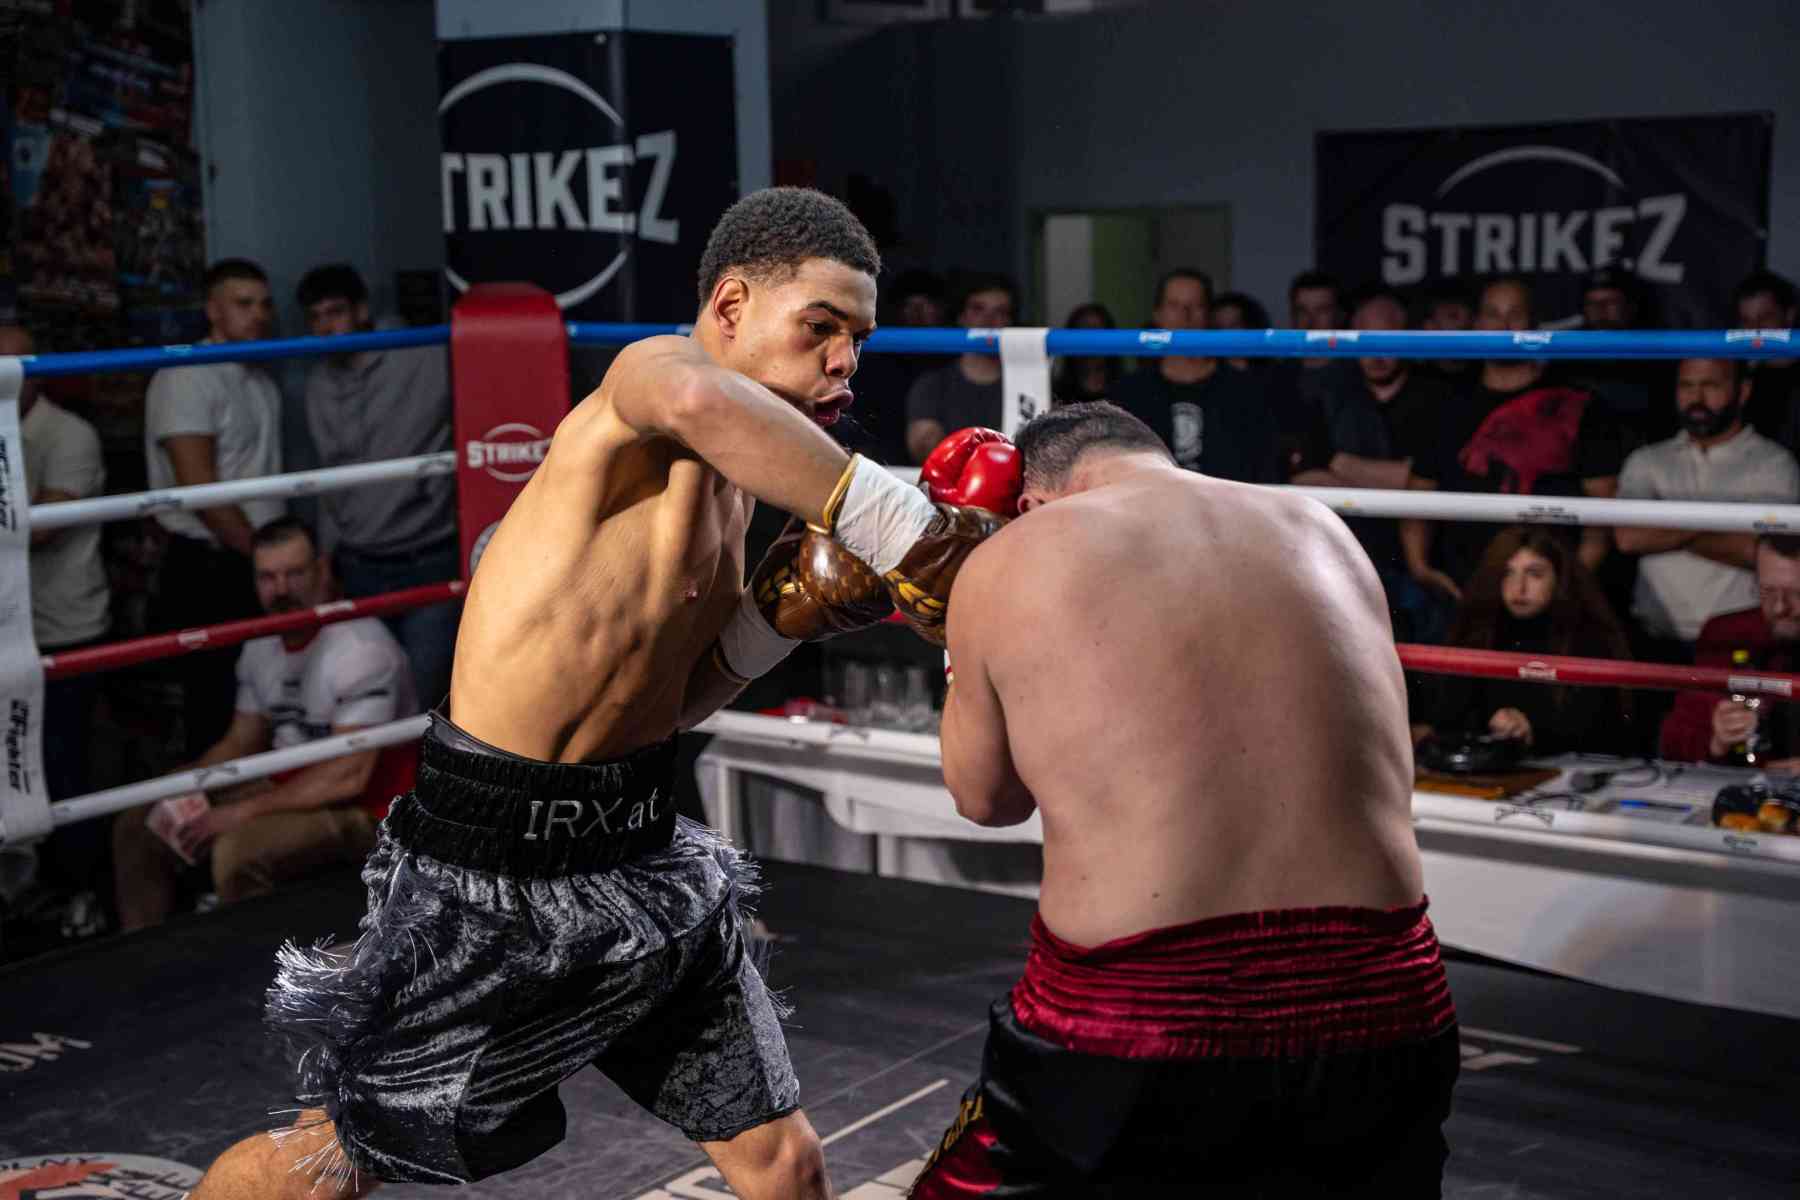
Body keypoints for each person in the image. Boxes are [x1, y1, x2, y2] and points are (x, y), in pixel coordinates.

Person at [190, 187, 1002, 1200]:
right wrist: (906, 529)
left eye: (859, 340)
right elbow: (697, 399)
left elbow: (670, 704)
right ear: (732, 306)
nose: (844, 360)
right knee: (328, 1161)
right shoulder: (651, 379)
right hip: (493, 870)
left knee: (782, 1160)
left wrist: (773, 625)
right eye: (820, 327)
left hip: (642, 854)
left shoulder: (736, 498)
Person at [909, 401, 1458, 1197]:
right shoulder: (1321, 527)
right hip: (1386, 999)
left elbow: (984, 798)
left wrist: (958, 640)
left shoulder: (1017, 552)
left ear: (1030, 500)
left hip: (1143, 1016)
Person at [111, 518, 419, 930]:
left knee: (238, 851)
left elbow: (349, 775)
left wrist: (239, 812)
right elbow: (241, 741)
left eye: (295, 574)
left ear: (322, 571)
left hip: (368, 808)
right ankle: (147, 956)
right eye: (268, 578)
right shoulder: (262, 643)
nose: (282, 590)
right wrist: (183, 782)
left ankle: (257, 967)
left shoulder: (361, 648)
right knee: (139, 822)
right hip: (287, 784)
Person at [298, 262, 461, 707]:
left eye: (335, 312)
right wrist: (325, 556)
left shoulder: (421, 354)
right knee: (372, 697)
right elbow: (328, 476)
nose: (326, 328)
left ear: (362, 310)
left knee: (423, 697)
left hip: (428, 555)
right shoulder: (318, 384)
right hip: (360, 564)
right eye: (315, 318)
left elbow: (494, 388)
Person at [1401, 277, 1624, 601]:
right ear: (1477, 325)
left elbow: (1602, 506)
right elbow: (1419, 491)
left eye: (1515, 314)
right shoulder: (1447, 404)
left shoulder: (1577, 404)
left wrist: (1572, 583)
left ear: (1534, 324)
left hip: (1554, 590)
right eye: (1492, 314)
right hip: (1466, 590)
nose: (1504, 326)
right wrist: (1420, 567)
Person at [143, 257, 284, 756]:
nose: (259, 315)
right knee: (215, 702)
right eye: (243, 304)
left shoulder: (258, 377)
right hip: (213, 563)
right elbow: (199, 488)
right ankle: (206, 802)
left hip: (255, 560)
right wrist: (263, 556)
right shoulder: (188, 375)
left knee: (260, 697)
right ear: (213, 311)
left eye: (264, 304)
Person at [10, 323, 112, 924]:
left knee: (65, 764)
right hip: (13, 630)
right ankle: (29, 894)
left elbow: (37, 529)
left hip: (67, 624)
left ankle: (82, 896)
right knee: (17, 763)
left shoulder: (70, 435)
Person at [1614, 358, 1799, 664]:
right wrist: (1725, 521)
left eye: (1710, 385)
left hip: (1738, 640)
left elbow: (1760, 552)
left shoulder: (1775, 464)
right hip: (1650, 638)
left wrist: (1663, 519)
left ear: (1743, 391)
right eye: (1686, 385)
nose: (1696, 398)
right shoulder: (1646, 460)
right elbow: (1628, 537)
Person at [1310, 289, 1457, 641]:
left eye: (1387, 339)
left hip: (1418, 565)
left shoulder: (1438, 397)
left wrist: (1341, 465)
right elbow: (1305, 476)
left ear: (1407, 336)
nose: (1377, 354)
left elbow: (1427, 478)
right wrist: (1400, 479)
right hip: (1342, 556)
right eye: (1367, 340)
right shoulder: (1329, 393)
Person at [1412, 527, 1635, 757]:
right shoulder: (1477, 630)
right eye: (1508, 573)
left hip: (1568, 767)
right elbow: (1449, 721)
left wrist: (1533, 729)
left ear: (1561, 577)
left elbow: (1603, 731)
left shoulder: (1590, 637)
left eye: (1535, 574)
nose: (1518, 588)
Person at [1108, 267, 1285, 482]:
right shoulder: (1131, 392)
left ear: (1209, 315)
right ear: (1158, 314)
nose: (1185, 316)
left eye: (1196, 306)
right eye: (1174, 306)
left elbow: (1264, 466)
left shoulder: (1245, 390)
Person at [1661, 535, 1800, 767]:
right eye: (1767, 591)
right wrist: (1715, 742)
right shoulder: (1728, 634)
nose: (1780, 607)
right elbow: (1673, 742)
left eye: (1797, 594)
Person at [904, 272, 1016, 462]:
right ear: (962, 317)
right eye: (978, 309)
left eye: (1000, 311)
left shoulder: (1026, 384)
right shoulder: (932, 385)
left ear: (1009, 321)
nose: (988, 320)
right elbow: (923, 452)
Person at [1735, 270, 1800, 454]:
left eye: (1764, 318)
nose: (1755, 330)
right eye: (1746, 321)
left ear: (1789, 315)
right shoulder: (1739, 379)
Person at [1050, 301, 1120, 405]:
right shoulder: (1056, 395)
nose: (1090, 341)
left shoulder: (1125, 390)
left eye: (1096, 331)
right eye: (1083, 331)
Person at [1206, 289, 1270, 373]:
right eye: (1218, 328)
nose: (1226, 334)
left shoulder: (1274, 373)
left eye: (1233, 326)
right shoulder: (1205, 374)